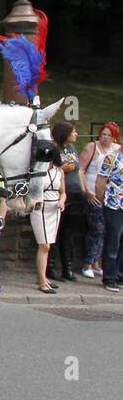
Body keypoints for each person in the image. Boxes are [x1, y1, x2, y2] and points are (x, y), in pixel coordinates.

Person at [80, 122, 119, 278]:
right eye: (103, 134)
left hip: (110, 197)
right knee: (97, 228)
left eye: (109, 135)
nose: (106, 138)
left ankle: (97, 262)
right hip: (93, 194)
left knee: (107, 230)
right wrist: (87, 191)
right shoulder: (92, 147)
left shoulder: (116, 150)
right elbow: (81, 169)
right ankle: (87, 262)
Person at [31, 133, 68, 294]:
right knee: (44, 244)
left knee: (48, 244)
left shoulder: (59, 171)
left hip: (55, 208)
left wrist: (62, 200)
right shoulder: (38, 171)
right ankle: (42, 280)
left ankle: (42, 276)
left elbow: (63, 192)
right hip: (41, 208)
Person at [50, 121, 83, 283]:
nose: (76, 134)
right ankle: (50, 267)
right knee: (55, 232)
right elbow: (47, 169)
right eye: (73, 132)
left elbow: (79, 170)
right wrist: (62, 169)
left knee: (68, 234)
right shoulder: (54, 148)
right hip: (59, 194)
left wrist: (84, 191)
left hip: (75, 194)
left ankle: (67, 268)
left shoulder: (72, 149)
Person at [95, 142, 123, 292]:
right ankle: (109, 277)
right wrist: (100, 200)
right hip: (114, 205)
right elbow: (101, 181)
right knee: (113, 241)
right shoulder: (111, 158)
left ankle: (120, 276)